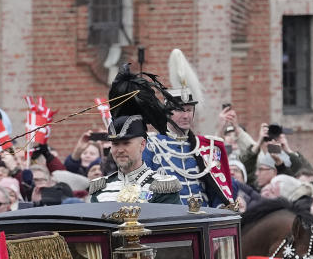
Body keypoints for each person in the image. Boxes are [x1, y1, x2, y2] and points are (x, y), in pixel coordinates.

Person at [141, 49, 234, 207]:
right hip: (169, 221)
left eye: (189, 110)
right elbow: (143, 190)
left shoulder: (206, 147)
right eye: (179, 110)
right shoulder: (151, 144)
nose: (186, 115)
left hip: (203, 220)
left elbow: (218, 193)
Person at [88, 115, 180, 204]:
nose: (120, 150)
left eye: (126, 143)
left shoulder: (162, 187)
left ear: (142, 145)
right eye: (115, 144)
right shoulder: (100, 188)